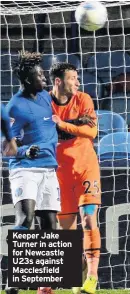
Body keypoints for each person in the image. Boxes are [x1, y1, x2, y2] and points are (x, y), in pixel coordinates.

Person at [5, 51, 60, 294]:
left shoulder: (46, 98)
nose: (44, 78)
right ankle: (12, 279)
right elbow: (6, 148)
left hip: (49, 169)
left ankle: (44, 286)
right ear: (28, 80)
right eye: (40, 75)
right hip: (25, 170)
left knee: (50, 227)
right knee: (25, 220)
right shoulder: (15, 106)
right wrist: (25, 151)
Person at [49, 62, 101, 294]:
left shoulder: (83, 99)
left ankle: (92, 276)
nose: (77, 82)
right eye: (72, 78)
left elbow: (92, 131)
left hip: (86, 168)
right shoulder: (43, 101)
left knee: (89, 218)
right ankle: (78, 274)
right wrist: (74, 123)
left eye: (77, 78)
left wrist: (62, 125)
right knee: (66, 232)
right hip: (59, 173)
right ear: (58, 81)